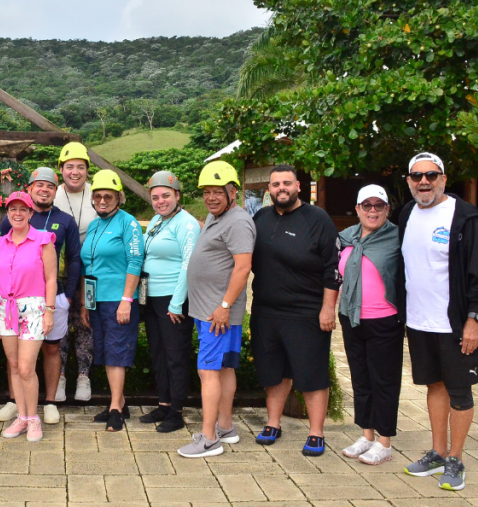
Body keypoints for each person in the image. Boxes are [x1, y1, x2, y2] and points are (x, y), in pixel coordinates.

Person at [399, 152, 478, 491]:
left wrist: (475, 319)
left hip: (455, 324)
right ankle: (438, 452)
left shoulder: (464, 216)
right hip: (419, 322)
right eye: (416, 176)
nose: (423, 181)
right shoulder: (407, 213)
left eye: (431, 175)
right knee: (434, 386)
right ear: (409, 180)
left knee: (460, 390)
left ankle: (456, 458)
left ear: (443, 178)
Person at [250, 164, 340, 457]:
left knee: (311, 373)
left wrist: (328, 308)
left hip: (307, 312)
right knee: (274, 372)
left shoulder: (317, 219)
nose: (281, 189)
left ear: (298, 186)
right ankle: (273, 423)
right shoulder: (260, 218)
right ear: (269, 190)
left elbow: (333, 268)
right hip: (266, 311)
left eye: (286, 183)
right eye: (275, 184)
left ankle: (316, 432)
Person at [178, 162, 255, 458]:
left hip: (217, 314)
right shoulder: (216, 216)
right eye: (207, 192)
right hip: (209, 310)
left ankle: (209, 438)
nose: (211, 197)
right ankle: (225, 426)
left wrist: (224, 306)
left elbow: (243, 266)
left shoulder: (237, 221)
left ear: (232, 191)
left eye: (217, 192)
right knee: (223, 368)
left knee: (207, 370)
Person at [0, 167, 82, 425]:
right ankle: (15, 402)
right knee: (17, 358)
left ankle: (51, 401)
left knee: (52, 349)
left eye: (50, 186)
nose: (44, 189)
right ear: (30, 189)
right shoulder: (9, 220)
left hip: (52, 298)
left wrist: (65, 297)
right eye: (39, 185)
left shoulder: (65, 220)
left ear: (56, 191)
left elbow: (74, 259)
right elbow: (4, 261)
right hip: (16, 300)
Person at [338, 184, 404, 466]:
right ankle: (366, 434)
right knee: (361, 378)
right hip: (351, 318)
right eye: (367, 205)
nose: (373, 210)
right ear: (357, 209)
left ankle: (385, 441)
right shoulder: (345, 237)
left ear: (387, 210)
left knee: (384, 382)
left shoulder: (397, 238)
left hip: (385, 320)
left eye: (379, 205)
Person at [0, 192, 58, 442]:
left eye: (22, 209)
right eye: (12, 209)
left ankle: (33, 419)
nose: (17, 214)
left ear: (31, 213)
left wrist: (49, 311)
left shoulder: (43, 240)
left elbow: (51, 278)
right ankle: (22, 416)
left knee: (27, 366)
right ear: (7, 214)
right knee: (15, 366)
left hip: (34, 307)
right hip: (4, 307)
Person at [80, 170, 144, 432]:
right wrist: (86, 302)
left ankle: (115, 408)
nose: (102, 201)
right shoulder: (95, 225)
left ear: (119, 197)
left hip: (119, 300)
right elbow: (88, 265)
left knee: (117, 354)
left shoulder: (127, 223)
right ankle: (120, 402)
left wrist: (126, 299)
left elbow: (135, 261)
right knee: (105, 352)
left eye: (108, 196)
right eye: (98, 196)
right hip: (97, 300)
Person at [140, 171, 201, 434]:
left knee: (175, 355)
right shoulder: (156, 220)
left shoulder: (186, 224)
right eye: (155, 197)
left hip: (173, 299)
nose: (160, 201)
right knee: (158, 353)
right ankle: (163, 403)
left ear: (177, 195)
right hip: (152, 297)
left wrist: (177, 303)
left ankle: (177, 411)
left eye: (166, 195)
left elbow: (189, 264)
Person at [54, 142, 98, 403]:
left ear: (87, 171)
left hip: (91, 274)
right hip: (59, 273)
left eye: (80, 167)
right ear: (60, 169)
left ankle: (84, 376)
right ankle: (59, 376)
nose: (75, 172)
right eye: (69, 166)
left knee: (86, 321)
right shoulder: (53, 194)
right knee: (59, 324)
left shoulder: (97, 195)